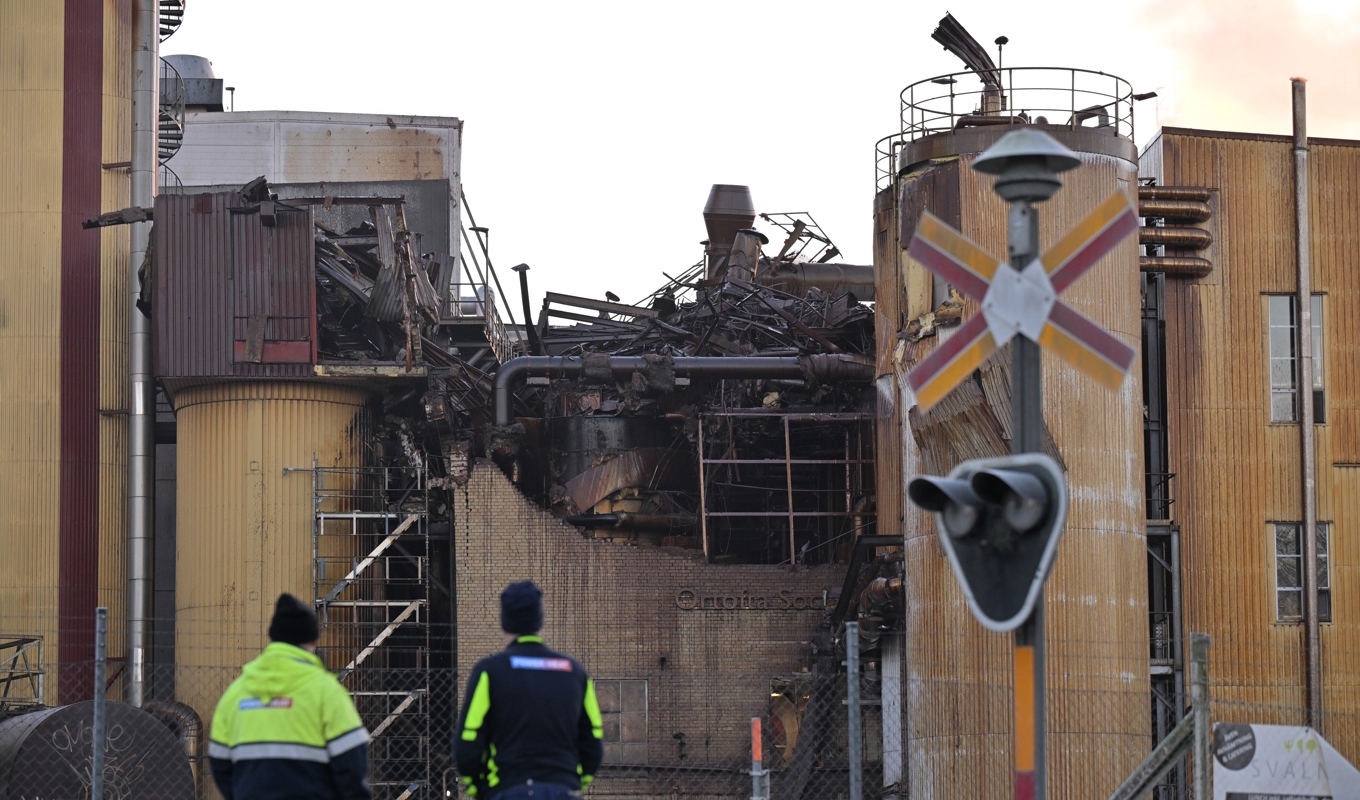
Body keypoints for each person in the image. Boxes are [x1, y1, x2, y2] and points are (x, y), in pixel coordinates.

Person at [209, 593, 372, 800]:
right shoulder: (326, 691)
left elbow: (219, 762)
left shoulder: (235, 694)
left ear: (274, 637)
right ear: (313, 641)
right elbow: (352, 764)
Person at [456, 581, 603, 799]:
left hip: (508, 788)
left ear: (505, 622)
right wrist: (574, 783)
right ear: (539, 621)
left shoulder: (490, 672)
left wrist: (479, 788)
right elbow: (594, 740)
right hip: (562, 788)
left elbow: (468, 740)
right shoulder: (574, 672)